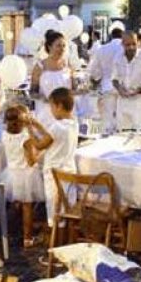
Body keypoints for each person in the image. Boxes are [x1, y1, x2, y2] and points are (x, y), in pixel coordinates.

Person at [32, 88, 79, 231]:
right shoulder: (74, 123)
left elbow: (40, 145)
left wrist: (29, 131)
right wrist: (37, 125)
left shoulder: (57, 126)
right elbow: (52, 137)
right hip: (68, 171)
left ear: (59, 106)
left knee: (53, 208)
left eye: (51, 106)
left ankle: (54, 236)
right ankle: (64, 236)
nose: (51, 111)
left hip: (54, 173)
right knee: (66, 208)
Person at [1, 105, 47, 248]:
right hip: (26, 175)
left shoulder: (4, 134)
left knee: (17, 202)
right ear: (23, 121)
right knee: (27, 206)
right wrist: (42, 152)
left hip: (12, 173)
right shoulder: (26, 139)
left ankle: (11, 229)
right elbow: (31, 161)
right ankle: (27, 238)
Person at [111, 32, 141, 130]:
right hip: (122, 102)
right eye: (128, 45)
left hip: (139, 102)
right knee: (120, 133)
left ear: (138, 42)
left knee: (137, 134)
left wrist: (140, 90)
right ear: (122, 44)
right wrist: (120, 89)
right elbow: (114, 79)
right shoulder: (118, 57)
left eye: (134, 44)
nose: (131, 47)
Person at [32, 30, 73, 128]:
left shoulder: (67, 65)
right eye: (58, 45)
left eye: (64, 46)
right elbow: (33, 92)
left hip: (65, 111)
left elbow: (72, 89)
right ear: (49, 47)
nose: (62, 49)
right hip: (46, 111)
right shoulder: (40, 66)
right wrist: (47, 99)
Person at [88, 27, 126, 129]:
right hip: (124, 87)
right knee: (123, 120)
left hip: (107, 86)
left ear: (111, 36)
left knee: (107, 120)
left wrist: (96, 79)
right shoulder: (126, 49)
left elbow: (93, 70)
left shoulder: (102, 49)